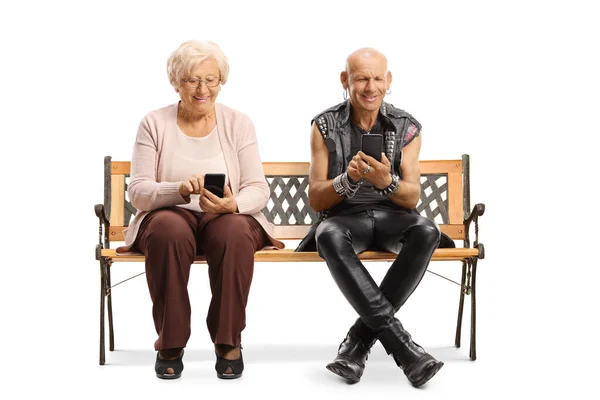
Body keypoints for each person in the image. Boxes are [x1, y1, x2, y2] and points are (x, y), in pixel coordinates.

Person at [116, 40, 284, 380]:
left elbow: (258, 188)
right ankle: (171, 341)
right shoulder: (154, 123)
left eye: (211, 79)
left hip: (223, 215)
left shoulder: (238, 123)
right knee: (167, 230)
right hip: (170, 215)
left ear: (222, 81)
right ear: (176, 81)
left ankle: (228, 340)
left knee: (235, 231)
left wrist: (232, 204)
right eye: (192, 80)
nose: (202, 89)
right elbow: (138, 191)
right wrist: (177, 190)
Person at [296, 48, 446, 387]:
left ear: (388, 80)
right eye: (361, 77)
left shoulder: (407, 126)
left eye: (377, 78)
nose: (370, 87)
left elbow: (411, 196)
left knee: (426, 231)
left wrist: (386, 181)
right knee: (327, 235)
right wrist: (347, 180)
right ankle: (406, 350)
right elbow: (316, 197)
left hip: (394, 217)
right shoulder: (324, 125)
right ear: (345, 80)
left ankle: (356, 343)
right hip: (345, 218)